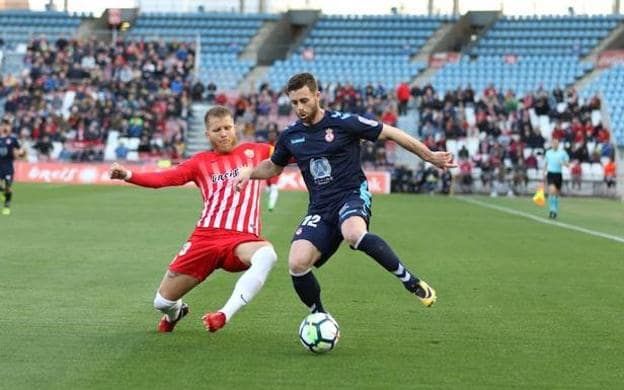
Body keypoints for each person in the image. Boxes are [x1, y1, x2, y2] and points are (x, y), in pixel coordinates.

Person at [235, 73, 455, 316]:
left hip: (351, 194)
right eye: (294, 103)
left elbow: (391, 132)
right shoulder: (290, 136)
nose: (300, 107)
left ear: (318, 96)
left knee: (353, 233)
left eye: (304, 100)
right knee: (297, 263)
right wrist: (250, 173)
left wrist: (429, 156)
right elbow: (274, 166)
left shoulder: (344, 123)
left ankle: (410, 281)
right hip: (320, 208)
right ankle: (320, 316)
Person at [109, 106, 277, 333]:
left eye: (227, 127)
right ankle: (176, 312)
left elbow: (295, 151)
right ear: (207, 134)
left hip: (241, 240)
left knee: (267, 254)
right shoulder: (199, 162)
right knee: (162, 302)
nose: (224, 133)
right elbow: (163, 179)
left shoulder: (257, 151)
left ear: (235, 127)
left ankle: (223, 315)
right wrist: (129, 175)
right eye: (217, 129)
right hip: (205, 238)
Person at [0, 118, 26, 216]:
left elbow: (19, 152)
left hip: (8, 166)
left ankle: (7, 206)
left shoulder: (12, 139)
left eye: (7, 126)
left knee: (8, 187)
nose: (5, 127)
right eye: (3, 125)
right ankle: (2, 193)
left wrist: (21, 153)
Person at [543, 137, 570, 219]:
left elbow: (568, 164)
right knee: (552, 191)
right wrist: (544, 173)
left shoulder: (563, 153)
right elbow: (546, 164)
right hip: (550, 174)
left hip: (558, 175)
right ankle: (552, 209)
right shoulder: (548, 153)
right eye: (553, 143)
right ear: (551, 144)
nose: (555, 144)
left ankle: (554, 211)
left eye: (556, 143)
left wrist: (563, 163)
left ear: (558, 144)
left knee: (556, 194)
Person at [265, 127, 280, 211]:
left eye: (273, 135)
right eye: (270, 135)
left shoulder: (278, 145)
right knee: (269, 188)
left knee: (274, 187)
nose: (271, 136)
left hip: (275, 169)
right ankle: (270, 201)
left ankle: (271, 206)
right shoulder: (266, 145)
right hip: (266, 169)